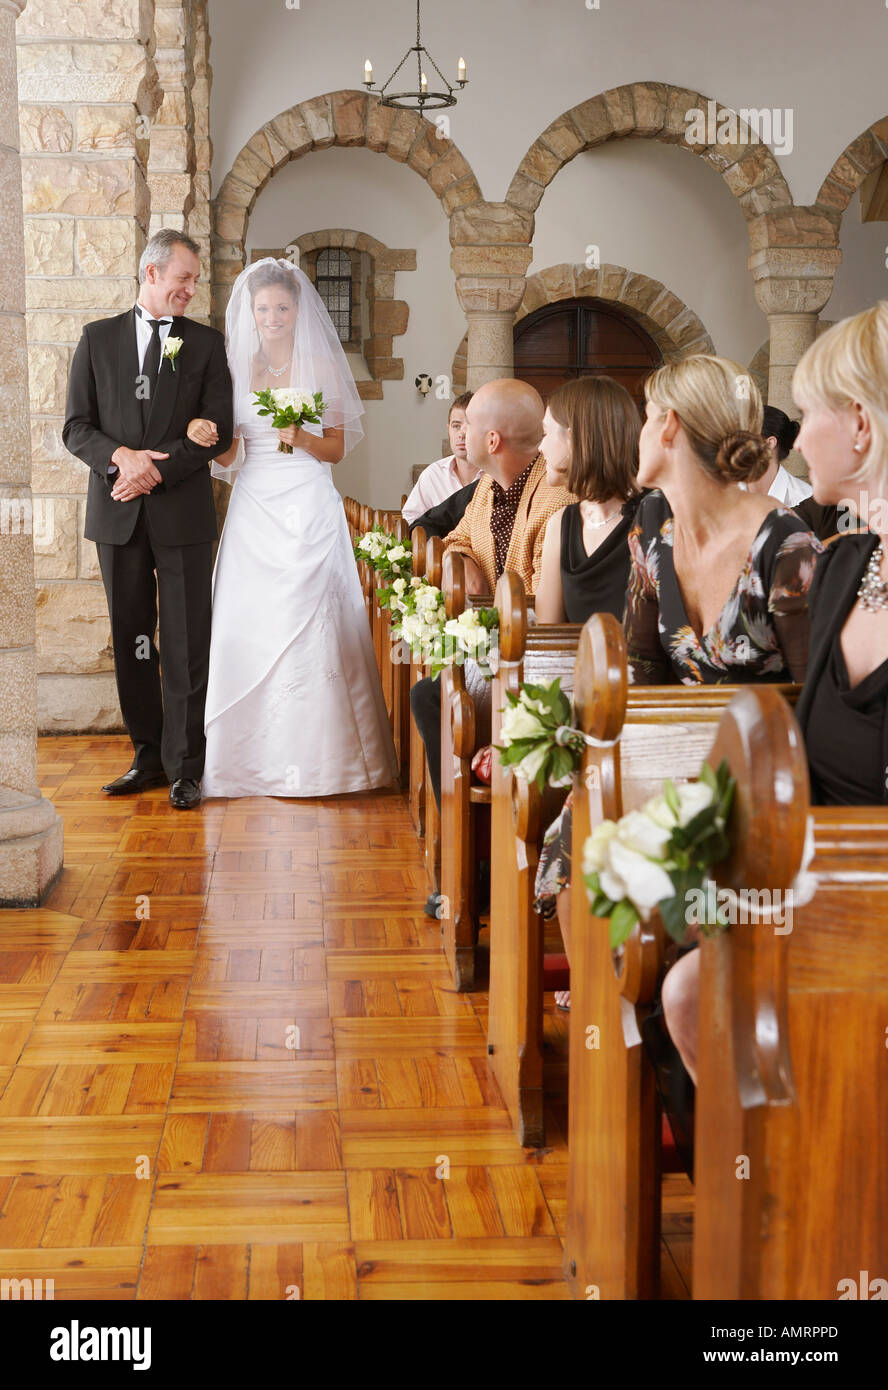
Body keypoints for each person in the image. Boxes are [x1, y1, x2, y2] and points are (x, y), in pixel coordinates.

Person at [193, 258, 398, 799]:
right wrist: (212, 437)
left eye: (281, 307)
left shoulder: (320, 367)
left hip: (306, 497)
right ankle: (244, 762)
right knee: (248, 613)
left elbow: (335, 446)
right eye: (263, 308)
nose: (272, 316)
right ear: (252, 313)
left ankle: (324, 760)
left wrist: (300, 437)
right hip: (254, 500)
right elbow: (232, 452)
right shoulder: (236, 368)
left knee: (311, 617)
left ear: (297, 308)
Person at [62, 229, 234, 810]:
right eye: (184, 278)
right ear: (152, 273)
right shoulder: (97, 339)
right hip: (117, 517)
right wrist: (122, 460)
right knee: (133, 636)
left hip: (182, 516)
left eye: (194, 279)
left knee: (187, 640)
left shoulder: (206, 345)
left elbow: (218, 431)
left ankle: (186, 765)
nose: (191, 289)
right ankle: (146, 755)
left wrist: (153, 470)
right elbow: (76, 426)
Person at [409, 378, 573, 916]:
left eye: (471, 425)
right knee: (439, 693)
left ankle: (477, 873)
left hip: (544, 658)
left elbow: (543, 613)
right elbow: (455, 540)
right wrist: (467, 567)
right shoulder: (489, 487)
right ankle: (471, 862)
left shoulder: (551, 498)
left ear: (494, 439)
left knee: (436, 697)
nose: (462, 434)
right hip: (504, 644)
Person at [625, 356, 821, 685]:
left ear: (669, 426)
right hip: (675, 733)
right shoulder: (653, 516)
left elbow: (814, 696)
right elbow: (640, 664)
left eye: (646, 418)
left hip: (767, 734)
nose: (639, 434)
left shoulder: (785, 542)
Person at [534, 376, 642, 624]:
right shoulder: (560, 524)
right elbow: (549, 637)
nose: (540, 447)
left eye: (546, 432)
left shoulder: (652, 517)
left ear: (574, 439)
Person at [745, 403, 838, 541]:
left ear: (770, 443)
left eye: (743, 434)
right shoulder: (727, 491)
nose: (732, 442)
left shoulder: (804, 497)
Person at [401, 393, 480, 525]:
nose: (462, 434)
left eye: (469, 426)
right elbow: (409, 521)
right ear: (448, 429)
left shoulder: (495, 476)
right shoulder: (433, 475)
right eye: (456, 426)